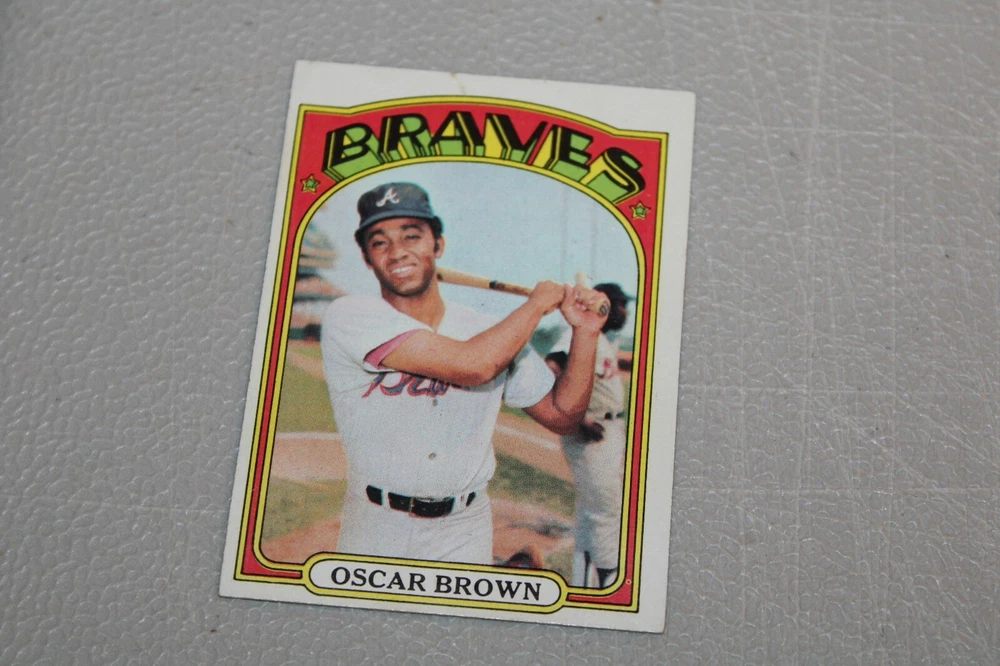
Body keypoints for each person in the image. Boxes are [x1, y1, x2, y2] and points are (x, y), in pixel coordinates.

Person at [320, 182, 609, 565]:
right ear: (366, 257)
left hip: (465, 527)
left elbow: (563, 415)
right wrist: (536, 305)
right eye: (380, 242)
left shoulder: (489, 331)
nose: (397, 251)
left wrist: (585, 333)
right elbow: (475, 365)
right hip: (377, 523)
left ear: (438, 245)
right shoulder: (351, 315)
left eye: (411, 236)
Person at [545, 282, 632, 588]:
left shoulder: (600, 337)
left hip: (608, 429)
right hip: (592, 432)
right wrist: (578, 418)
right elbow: (551, 369)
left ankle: (585, 583)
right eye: (621, 305)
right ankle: (609, 583)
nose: (625, 312)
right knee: (607, 512)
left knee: (591, 513)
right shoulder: (576, 333)